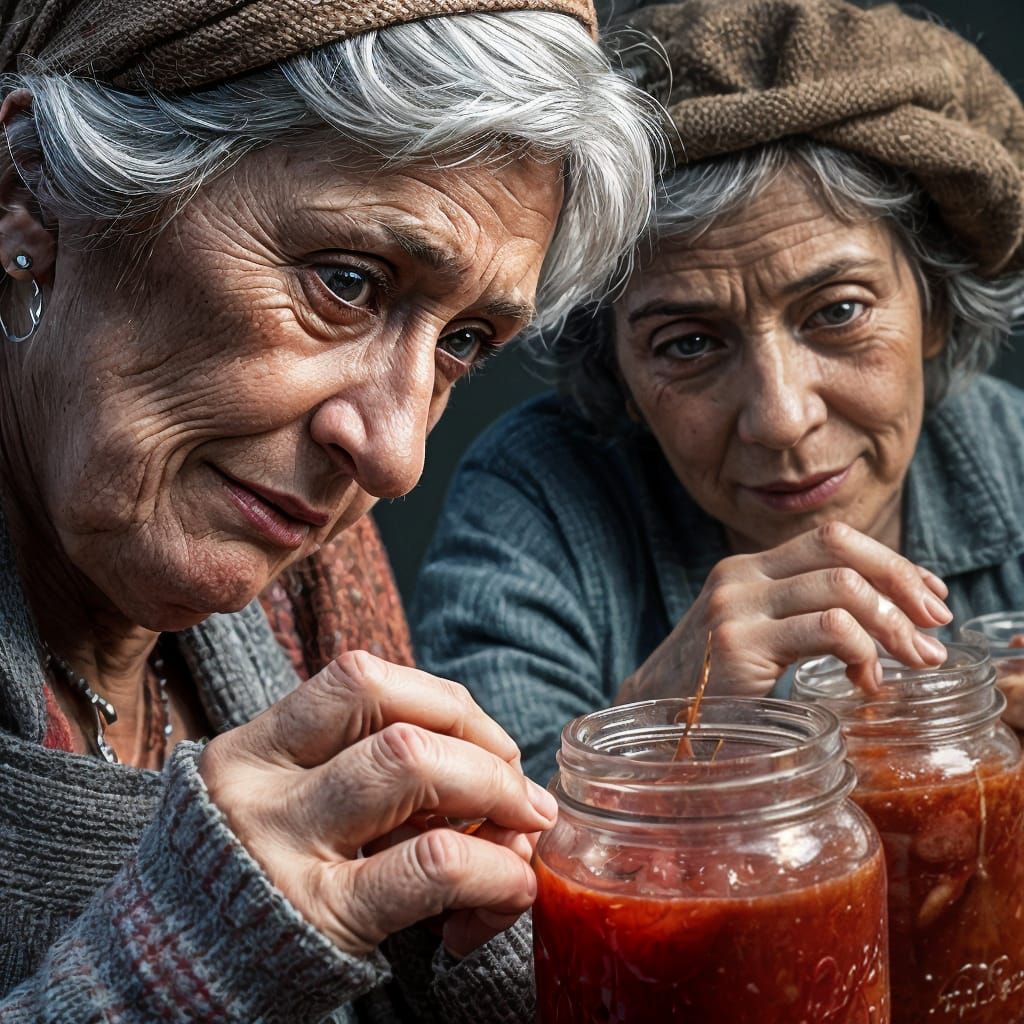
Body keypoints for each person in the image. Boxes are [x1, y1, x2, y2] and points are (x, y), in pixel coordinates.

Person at [0, 0, 658, 1019]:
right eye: (345, 282)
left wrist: (482, 941)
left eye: (461, 342)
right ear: (31, 201)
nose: (394, 455)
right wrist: (185, 964)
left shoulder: (302, 564)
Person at [413, 0, 1024, 784]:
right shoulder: (536, 504)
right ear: (618, 373)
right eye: (690, 345)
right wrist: (670, 721)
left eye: (838, 312)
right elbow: (485, 883)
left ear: (935, 306)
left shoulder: (1012, 461)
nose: (781, 417)